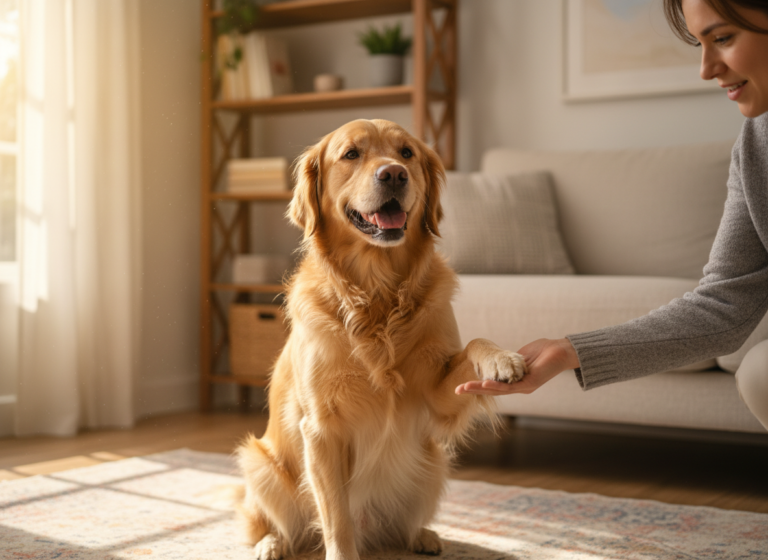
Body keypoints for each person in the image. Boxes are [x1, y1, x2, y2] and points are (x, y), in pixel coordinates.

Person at [455, 0, 768, 430]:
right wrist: (570, 350)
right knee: (761, 373)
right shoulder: (756, 148)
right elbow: (723, 304)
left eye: (723, 39)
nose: (706, 68)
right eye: (699, 43)